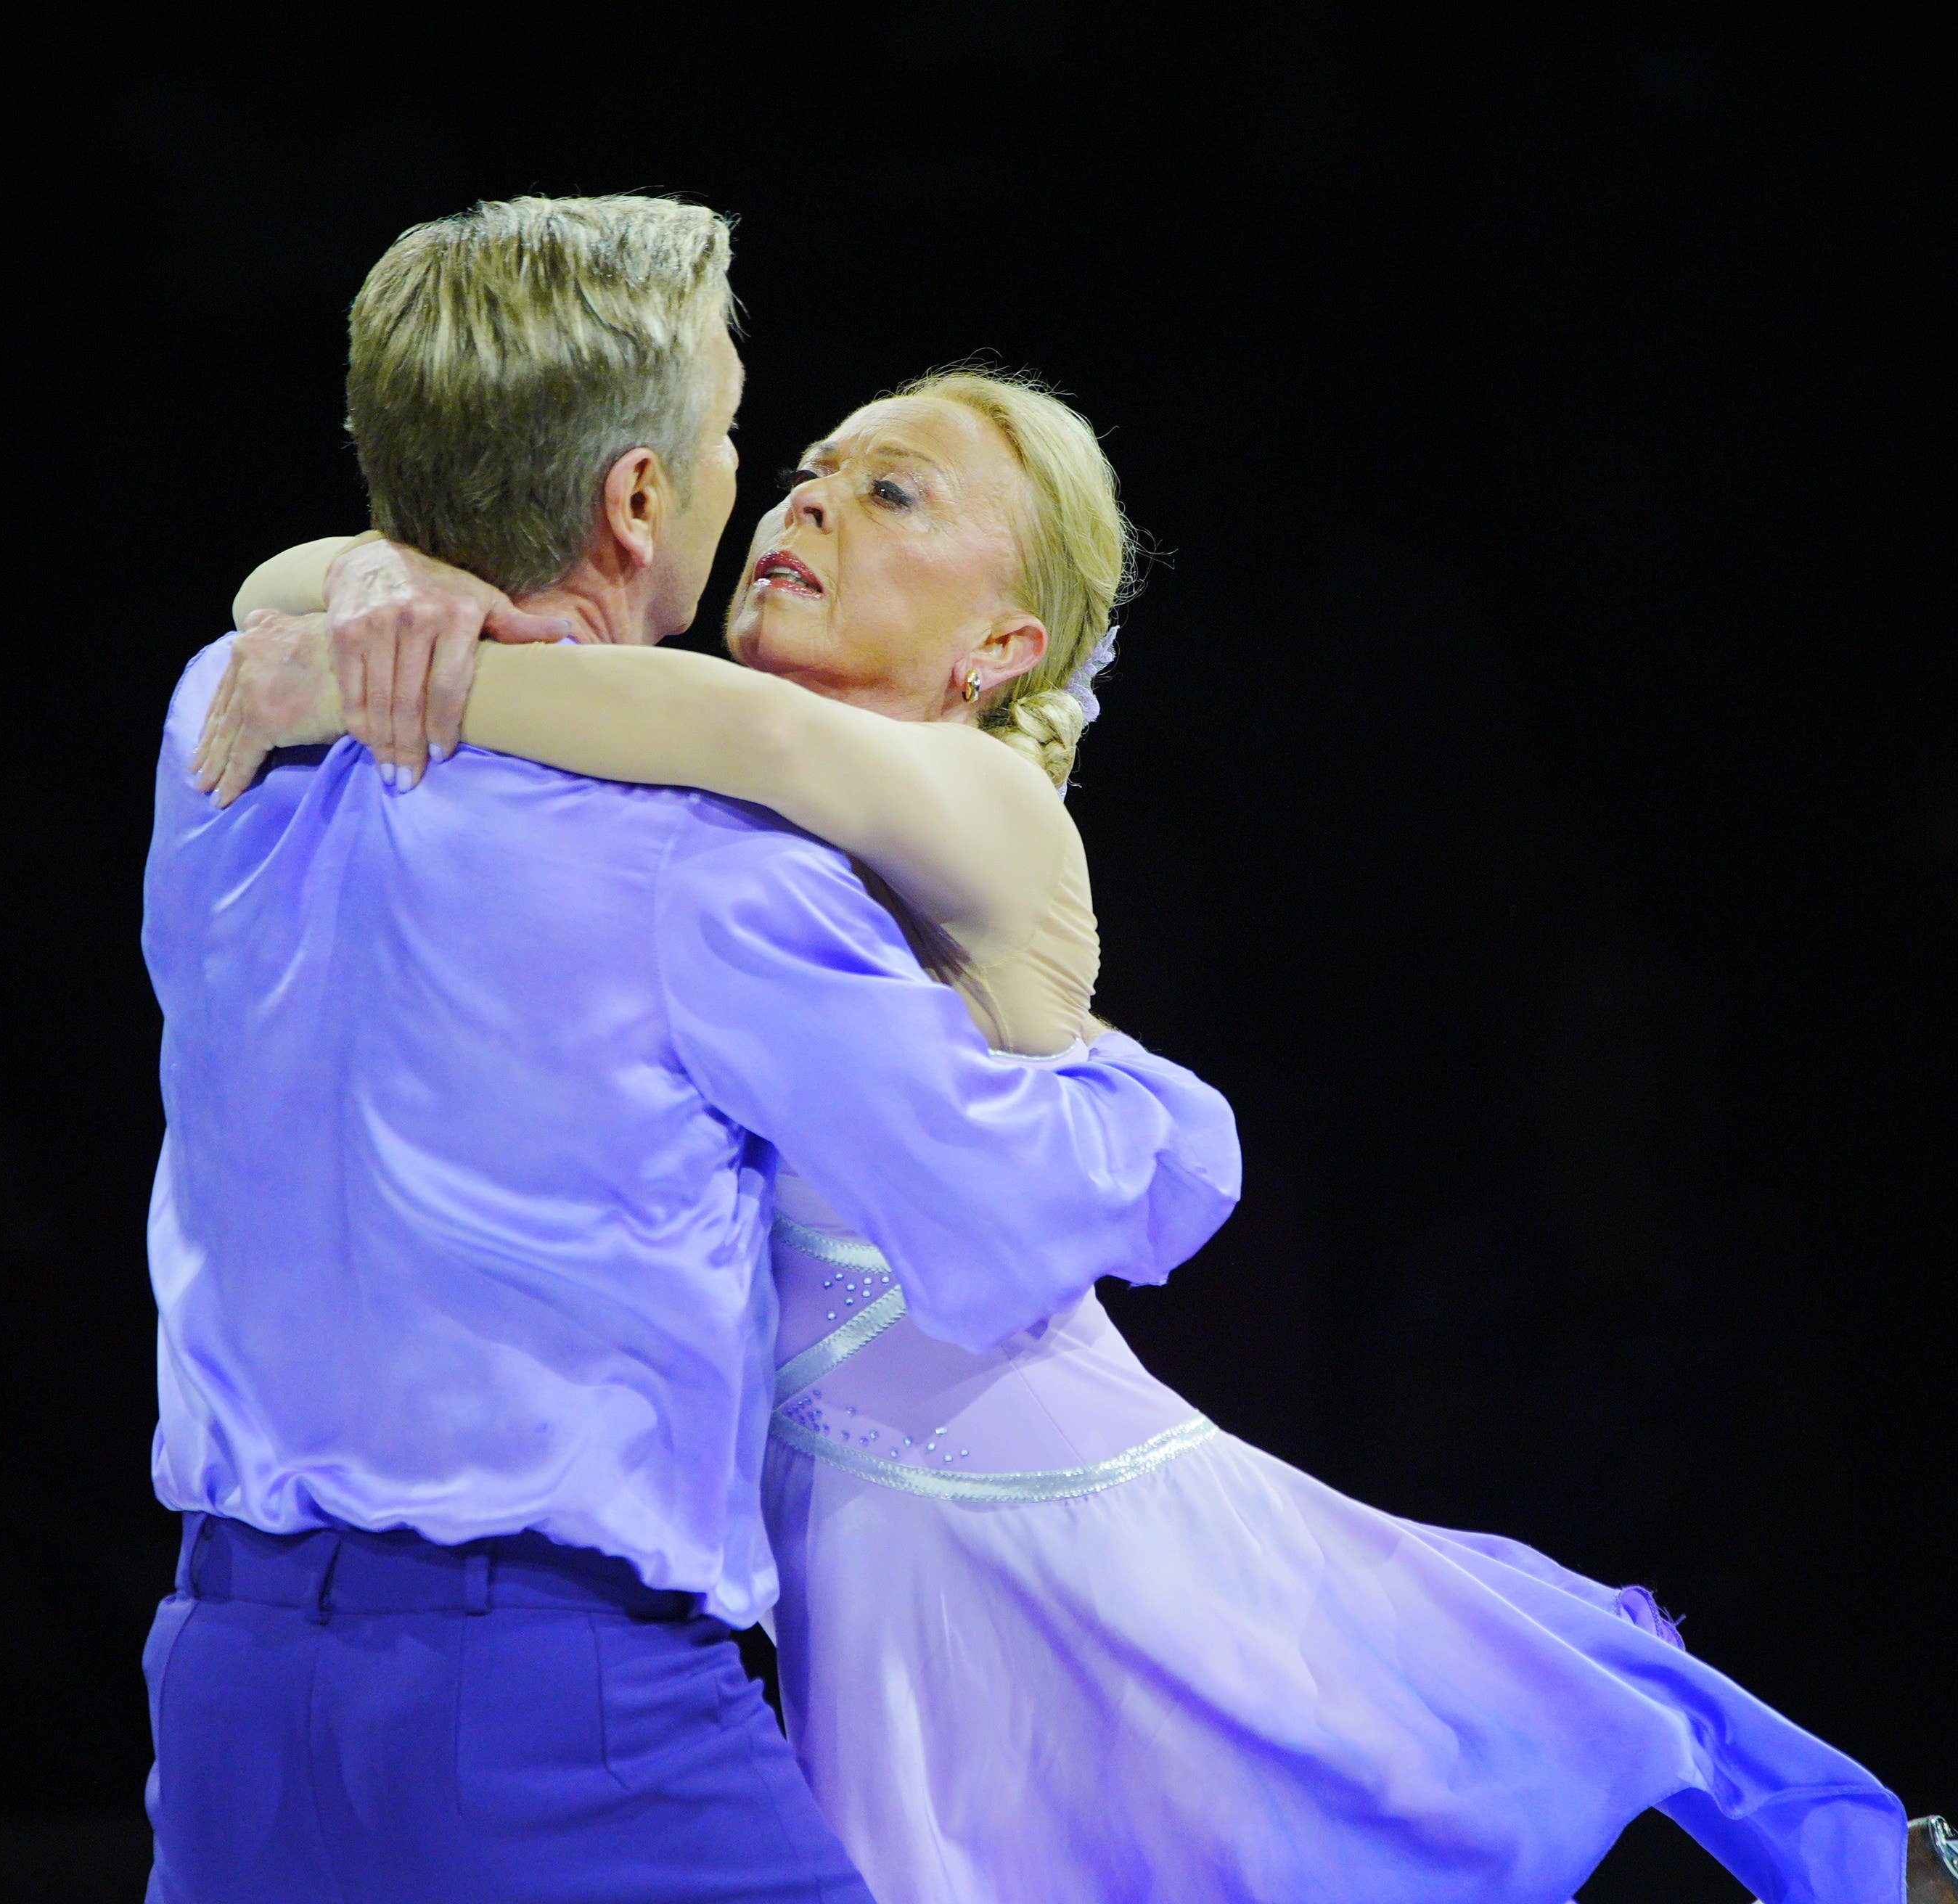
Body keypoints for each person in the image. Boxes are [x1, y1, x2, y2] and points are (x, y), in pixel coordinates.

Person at [200, 364, 1958, 1904]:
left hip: (1097, 1570)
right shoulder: (701, 797)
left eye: (894, 492)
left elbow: (708, 722)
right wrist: (361, 586)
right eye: (812, 468)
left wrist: (363, 659)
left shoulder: (976, 806)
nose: (811, 501)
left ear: (1005, 645)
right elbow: (309, 594)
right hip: (883, 1620)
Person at [140, 197, 1242, 1904]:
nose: (772, 488)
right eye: (743, 438)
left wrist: (355, 578)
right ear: (641, 498)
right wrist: (1138, 1097)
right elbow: (1025, 1206)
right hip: (550, 1714)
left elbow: (306, 605)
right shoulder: (707, 866)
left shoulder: (229, 716)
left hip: (231, 1702)